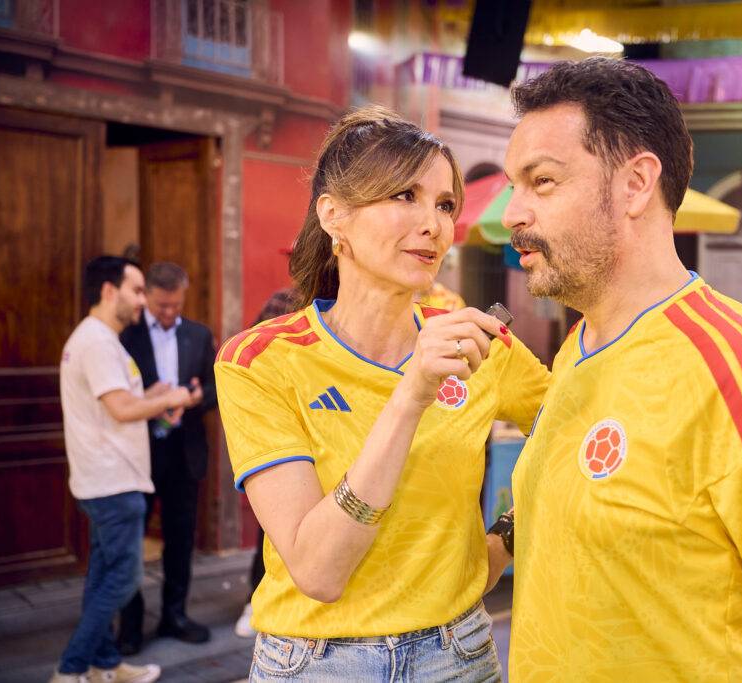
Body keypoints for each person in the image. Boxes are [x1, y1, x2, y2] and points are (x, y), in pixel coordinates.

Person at [497, 57, 742, 681]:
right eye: (515, 185)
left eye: (541, 182)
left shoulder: (730, 363)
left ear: (635, 184)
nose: (513, 212)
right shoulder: (580, 345)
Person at [214, 105, 549, 681]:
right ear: (333, 216)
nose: (433, 224)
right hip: (316, 662)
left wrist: (503, 541)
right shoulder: (261, 360)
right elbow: (319, 572)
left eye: (444, 204)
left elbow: (578, 430)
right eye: (404, 196)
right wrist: (412, 393)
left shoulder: (481, 345)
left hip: (460, 653)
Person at [54, 256, 191, 683]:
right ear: (109, 291)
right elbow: (121, 409)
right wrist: (172, 399)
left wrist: (150, 394)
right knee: (123, 578)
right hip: (112, 481)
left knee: (103, 577)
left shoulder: (100, 339)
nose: (142, 300)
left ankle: (105, 665)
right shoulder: (97, 342)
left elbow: (119, 403)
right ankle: (71, 668)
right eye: (136, 290)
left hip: (108, 478)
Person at [117, 262, 218, 654]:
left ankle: (174, 615)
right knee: (131, 542)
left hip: (185, 453)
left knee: (180, 540)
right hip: (138, 453)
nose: (169, 312)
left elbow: (215, 385)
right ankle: (129, 627)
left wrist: (196, 397)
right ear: (147, 297)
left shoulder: (198, 334)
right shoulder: (125, 336)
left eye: (176, 305)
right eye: (162, 306)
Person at [233, 286, 299, 640]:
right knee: (273, 527)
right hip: (283, 427)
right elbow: (254, 352)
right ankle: (254, 600)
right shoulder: (283, 302)